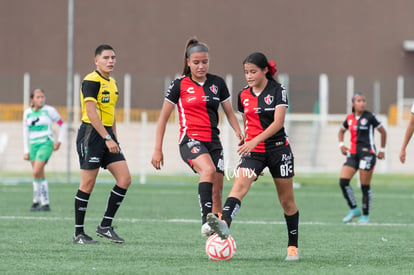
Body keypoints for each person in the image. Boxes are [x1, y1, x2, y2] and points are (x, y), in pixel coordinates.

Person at [206, 52, 300, 261]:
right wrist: (247, 138)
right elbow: (250, 121)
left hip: (278, 151)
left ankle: (292, 246)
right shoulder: (243, 96)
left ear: (265, 70)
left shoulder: (278, 91)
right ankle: (224, 224)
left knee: (287, 201)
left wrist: (254, 140)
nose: (248, 76)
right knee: (239, 187)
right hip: (254, 153)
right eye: (246, 72)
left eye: (253, 72)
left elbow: (277, 123)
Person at [151, 37, 243, 237]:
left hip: (214, 142)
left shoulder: (218, 83)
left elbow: (229, 112)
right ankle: (204, 222)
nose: (201, 66)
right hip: (190, 139)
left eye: (205, 62)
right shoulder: (179, 85)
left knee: (217, 193)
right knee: (208, 170)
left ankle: (216, 239)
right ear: (188, 62)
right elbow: (163, 119)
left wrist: (238, 132)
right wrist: (158, 148)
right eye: (196, 62)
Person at [73, 44, 132, 244]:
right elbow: (91, 113)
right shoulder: (91, 81)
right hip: (91, 134)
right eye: (106, 57)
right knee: (88, 184)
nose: (111, 61)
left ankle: (105, 226)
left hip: (107, 136)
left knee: (125, 179)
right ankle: (78, 233)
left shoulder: (113, 83)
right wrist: (106, 138)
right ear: (96, 61)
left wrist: (114, 137)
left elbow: (111, 113)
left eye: (113, 57)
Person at [338, 93, 387, 224]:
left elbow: (383, 131)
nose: (362, 103)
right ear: (353, 104)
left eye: (364, 100)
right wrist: (341, 145)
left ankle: (365, 215)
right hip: (353, 154)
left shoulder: (370, 117)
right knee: (343, 182)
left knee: (364, 185)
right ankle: (354, 209)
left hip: (368, 154)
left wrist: (382, 150)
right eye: (359, 101)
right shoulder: (349, 118)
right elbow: (341, 131)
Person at [23, 88, 66, 211]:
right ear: (32, 99)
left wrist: (59, 141)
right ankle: (40, 203)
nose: (41, 99)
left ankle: (41, 202)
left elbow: (62, 125)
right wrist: (26, 151)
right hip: (33, 146)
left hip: (46, 144)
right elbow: (25, 131)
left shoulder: (49, 111)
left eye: (42, 97)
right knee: (38, 174)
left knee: (36, 171)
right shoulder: (27, 113)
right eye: (38, 97)